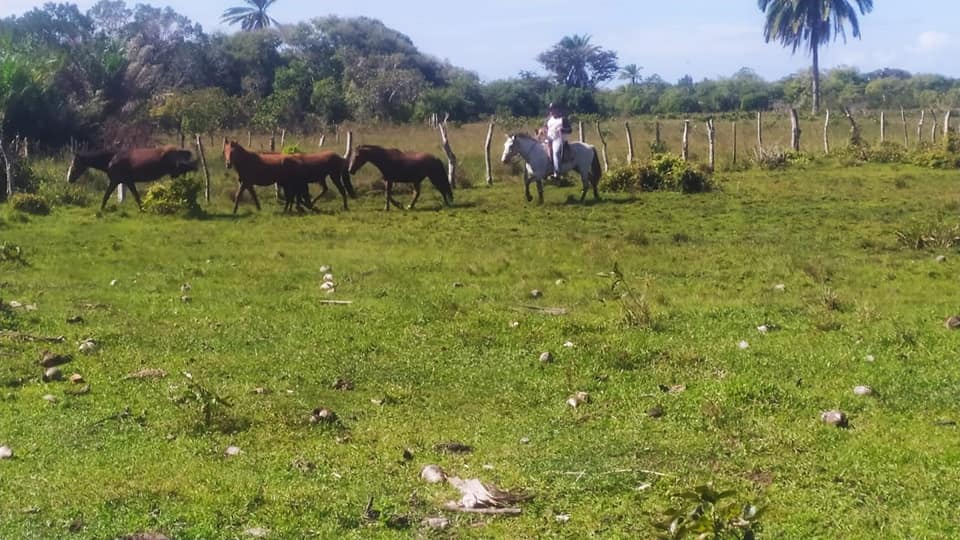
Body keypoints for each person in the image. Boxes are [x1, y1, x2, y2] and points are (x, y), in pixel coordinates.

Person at [543, 103, 571, 178]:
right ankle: (545, 170)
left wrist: (562, 129)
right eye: (550, 110)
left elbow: (570, 130)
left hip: (559, 139)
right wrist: (543, 131)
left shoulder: (563, 119)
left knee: (555, 152)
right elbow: (545, 128)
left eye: (553, 110)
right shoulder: (548, 119)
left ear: (557, 110)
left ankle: (557, 172)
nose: (551, 112)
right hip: (549, 138)